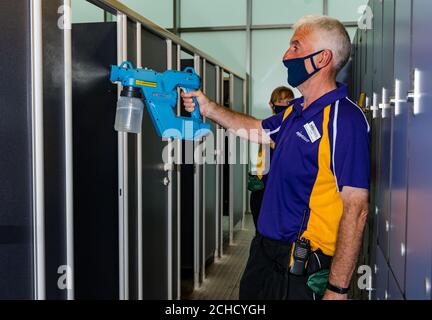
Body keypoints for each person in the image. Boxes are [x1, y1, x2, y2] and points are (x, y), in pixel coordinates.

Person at [181, 15, 370, 300]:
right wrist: (209, 108)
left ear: (322, 59)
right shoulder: (295, 111)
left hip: (300, 267)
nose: (285, 56)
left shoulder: (344, 120)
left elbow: (356, 210)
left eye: (296, 47)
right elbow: (258, 130)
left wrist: (338, 288)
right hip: (264, 254)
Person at [249, 86, 294, 231]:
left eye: (289, 101)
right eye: (281, 100)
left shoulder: (293, 126)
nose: (285, 104)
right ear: (271, 104)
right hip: (262, 186)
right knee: (260, 230)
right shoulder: (266, 125)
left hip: (282, 188)